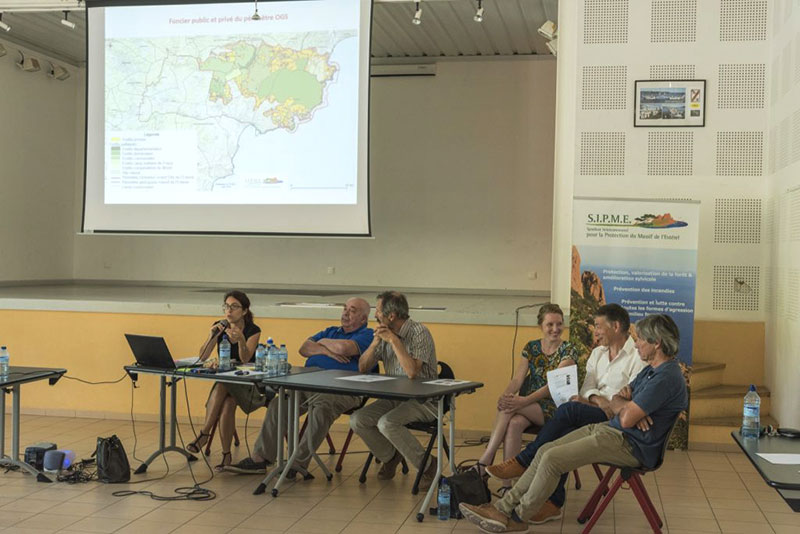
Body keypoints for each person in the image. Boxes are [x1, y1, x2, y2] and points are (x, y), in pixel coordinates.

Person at [460, 314, 688, 533]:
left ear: (656, 343)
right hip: (614, 430)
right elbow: (619, 400)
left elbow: (626, 417)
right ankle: (502, 508)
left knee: (552, 459)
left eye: (640, 339)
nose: (636, 344)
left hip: (631, 444)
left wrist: (626, 407)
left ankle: (518, 518)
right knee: (545, 449)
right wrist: (623, 403)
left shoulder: (667, 377)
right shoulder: (651, 370)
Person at [485, 303, 645, 523]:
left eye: (598, 326)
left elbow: (633, 397)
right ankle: (553, 502)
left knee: (568, 410)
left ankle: (525, 460)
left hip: (616, 419)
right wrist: (599, 400)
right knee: (565, 428)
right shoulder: (598, 353)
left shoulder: (637, 356)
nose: (595, 332)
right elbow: (587, 387)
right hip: (594, 410)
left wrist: (609, 403)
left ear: (615, 326)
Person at [224, 298, 374, 475]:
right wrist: (326, 348)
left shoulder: (368, 334)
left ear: (363, 319)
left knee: (322, 409)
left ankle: (297, 463)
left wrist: (321, 342)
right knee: (279, 403)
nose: (346, 313)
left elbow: (343, 348)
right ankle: (260, 459)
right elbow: (304, 348)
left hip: (343, 388)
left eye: (353, 310)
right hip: (310, 383)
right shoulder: (331, 331)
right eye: (344, 308)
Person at [475, 304, 577, 493]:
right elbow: (517, 379)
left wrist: (521, 401)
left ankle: (486, 459)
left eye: (559, 324)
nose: (555, 329)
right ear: (541, 325)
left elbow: (552, 387)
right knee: (513, 422)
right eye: (550, 324)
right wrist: (506, 395)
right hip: (527, 405)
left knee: (510, 407)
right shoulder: (530, 347)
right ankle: (507, 486)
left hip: (554, 407)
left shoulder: (568, 349)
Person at [349, 291, 439, 490]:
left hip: (425, 400)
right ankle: (390, 456)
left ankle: (428, 465)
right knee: (357, 419)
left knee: (387, 423)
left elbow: (412, 372)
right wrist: (375, 343)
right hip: (395, 397)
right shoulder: (383, 335)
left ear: (391, 316)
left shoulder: (419, 332)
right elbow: (362, 368)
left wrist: (394, 341)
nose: (375, 315)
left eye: (378, 311)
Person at [186, 290, 262, 470]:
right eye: (226, 306)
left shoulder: (253, 330)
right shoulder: (219, 326)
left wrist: (241, 339)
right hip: (227, 381)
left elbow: (245, 359)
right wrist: (212, 336)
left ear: (244, 311)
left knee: (221, 384)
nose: (229, 311)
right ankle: (226, 456)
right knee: (227, 402)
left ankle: (204, 434)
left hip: (248, 384)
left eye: (234, 307)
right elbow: (203, 357)